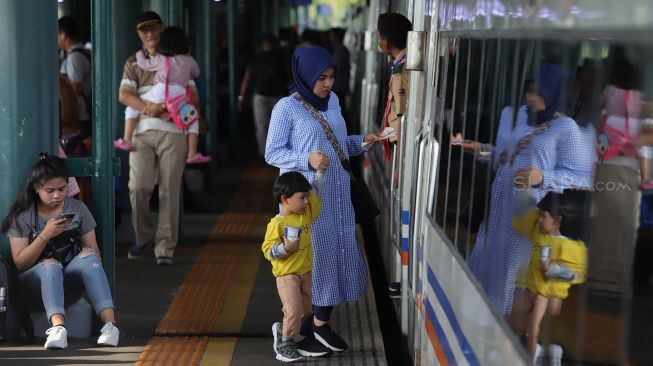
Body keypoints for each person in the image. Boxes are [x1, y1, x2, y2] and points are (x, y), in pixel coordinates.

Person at [265, 46, 380, 354]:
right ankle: (310, 328)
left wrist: (364, 142)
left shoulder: (334, 102)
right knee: (312, 261)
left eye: (331, 77)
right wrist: (306, 159)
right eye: (320, 78)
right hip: (308, 198)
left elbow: (340, 146)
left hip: (338, 194)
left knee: (334, 254)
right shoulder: (286, 108)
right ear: (304, 76)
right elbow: (272, 152)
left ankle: (312, 327)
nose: (327, 84)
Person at [466, 62, 595, 315]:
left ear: (553, 92)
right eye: (528, 91)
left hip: (527, 213)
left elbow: (582, 177)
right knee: (487, 264)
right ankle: (482, 324)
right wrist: (481, 149)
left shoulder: (565, 127)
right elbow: (506, 158)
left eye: (538, 92)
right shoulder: (517, 116)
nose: (531, 97)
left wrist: (543, 177)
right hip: (497, 206)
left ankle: (504, 332)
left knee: (511, 273)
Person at [1, 154, 119, 350]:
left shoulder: (78, 209)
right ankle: (58, 328)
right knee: (50, 266)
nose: (57, 195)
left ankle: (110, 326)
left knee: (91, 259)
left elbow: (94, 249)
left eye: (62, 189)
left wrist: (89, 253)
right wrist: (45, 235)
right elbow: (20, 263)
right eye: (50, 191)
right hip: (33, 286)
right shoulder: (23, 216)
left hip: (68, 282)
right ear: (36, 189)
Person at [118, 11, 191, 265]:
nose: (150, 34)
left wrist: (162, 107)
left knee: (170, 190)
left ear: (162, 29)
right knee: (137, 187)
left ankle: (165, 248)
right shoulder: (134, 62)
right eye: (144, 31)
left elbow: (192, 97)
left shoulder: (180, 58)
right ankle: (144, 236)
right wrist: (151, 108)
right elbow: (124, 95)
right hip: (142, 132)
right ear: (139, 34)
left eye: (154, 29)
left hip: (174, 132)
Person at [114, 26, 211, 165]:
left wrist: (140, 53)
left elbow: (144, 64)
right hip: (180, 97)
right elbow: (196, 73)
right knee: (193, 120)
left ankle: (127, 140)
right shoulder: (189, 61)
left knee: (132, 107)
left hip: (162, 92)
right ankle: (192, 153)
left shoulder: (162, 59)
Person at [509, 191, 587, 361]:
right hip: (532, 289)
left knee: (533, 328)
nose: (540, 220)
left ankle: (532, 356)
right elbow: (518, 222)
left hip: (545, 293)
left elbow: (580, 273)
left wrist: (554, 271)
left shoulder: (568, 246)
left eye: (543, 216)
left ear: (557, 220)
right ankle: (547, 351)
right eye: (539, 215)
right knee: (517, 322)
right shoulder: (537, 231)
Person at [263, 171, 331, 362]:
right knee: (293, 310)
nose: (306, 202)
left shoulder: (305, 214)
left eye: (306, 197)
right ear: (285, 199)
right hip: (287, 275)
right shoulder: (277, 223)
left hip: (306, 273)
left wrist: (319, 173)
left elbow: (317, 195)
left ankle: (282, 329)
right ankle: (286, 345)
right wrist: (286, 248)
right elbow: (268, 250)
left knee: (307, 311)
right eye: (302, 198)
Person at [237, 35, 290, 156]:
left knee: (262, 126)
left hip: (262, 96)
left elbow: (247, 79)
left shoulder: (256, 58)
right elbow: (290, 76)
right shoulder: (281, 57)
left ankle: (265, 153)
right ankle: (277, 152)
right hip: (277, 96)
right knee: (279, 126)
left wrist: (241, 97)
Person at [377, 12, 412, 162]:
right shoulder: (402, 63)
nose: (379, 42)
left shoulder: (400, 72)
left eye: (380, 37)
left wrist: (399, 165)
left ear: (386, 43)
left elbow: (401, 118)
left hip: (401, 145)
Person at [58, 16, 92, 154]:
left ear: (63, 35)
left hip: (80, 116)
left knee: (78, 152)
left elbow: (74, 89)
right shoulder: (87, 53)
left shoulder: (74, 58)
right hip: (87, 114)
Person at [328, 28, 351, 131]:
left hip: (339, 88)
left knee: (340, 112)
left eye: (332, 35)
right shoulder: (338, 49)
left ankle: (344, 133)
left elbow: (335, 68)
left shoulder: (341, 50)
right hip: (338, 87)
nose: (330, 37)